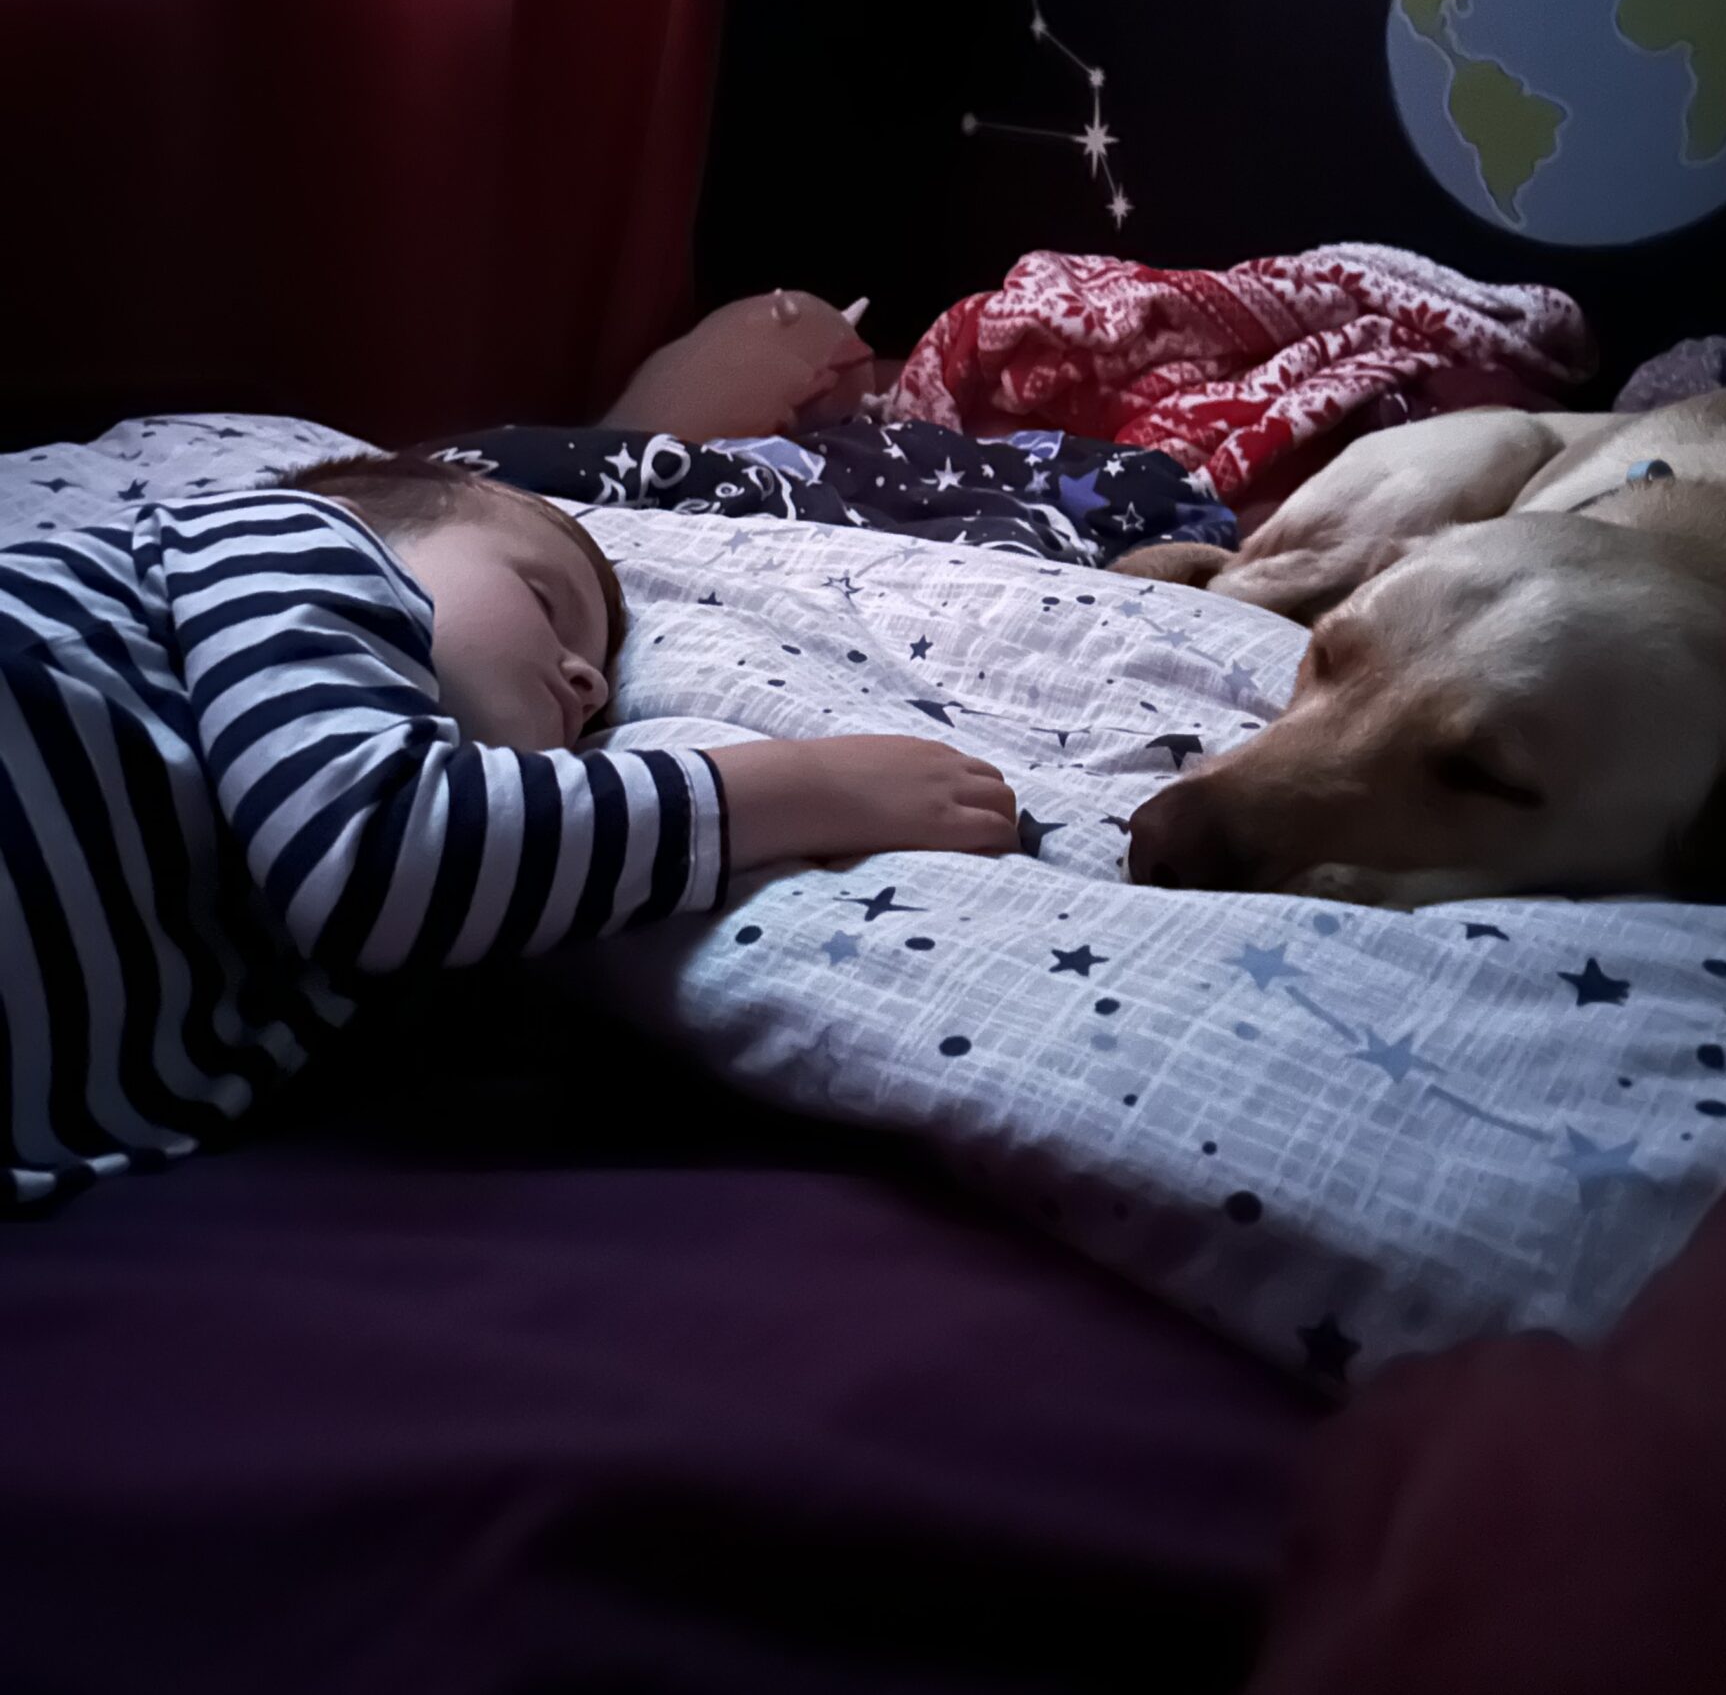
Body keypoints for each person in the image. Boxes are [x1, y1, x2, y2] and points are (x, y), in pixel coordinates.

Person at [0, 451, 1017, 1210]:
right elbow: (379, 858)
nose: (586, 681)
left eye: (601, 687)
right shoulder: (280, 541)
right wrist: (799, 785)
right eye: (547, 603)